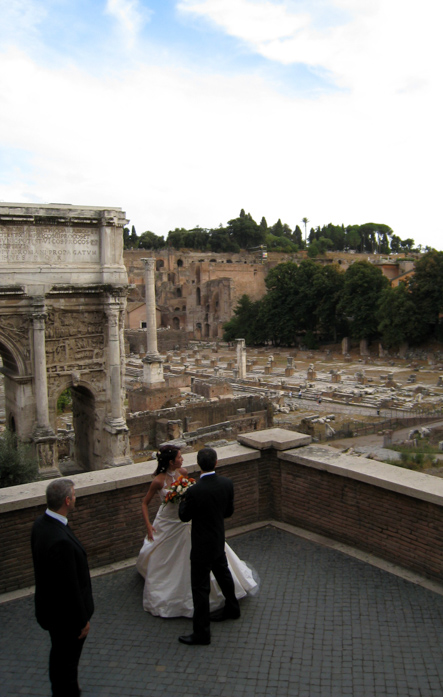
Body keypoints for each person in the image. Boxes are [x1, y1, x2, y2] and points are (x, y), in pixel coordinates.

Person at [136, 444, 257, 621]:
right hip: (169, 521)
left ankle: (201, 620)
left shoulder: (183, 473)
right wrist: (148, 525)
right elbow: (145, 503)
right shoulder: (158, 481)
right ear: (171, 461)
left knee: (198, 563)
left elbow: (192, 500)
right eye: (179, 456)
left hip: (186, 520)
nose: (182, 459)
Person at [31, 479, 94, 697]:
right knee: (66, 663)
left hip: (49, 609)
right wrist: (82, 619)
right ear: (67, 501)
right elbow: (70, 586)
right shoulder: (61, 541)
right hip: (66, 618)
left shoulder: (40, 524)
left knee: (59, 657)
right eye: (74, 495)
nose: (76, 498)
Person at [178, 447, 241, 646]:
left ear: (198, 465)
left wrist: (182, 500)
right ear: (216, 463)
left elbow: (184, 516)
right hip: (217, 539)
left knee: (200, 588)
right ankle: (233, 608)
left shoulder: (194, 490)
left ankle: (202, 633)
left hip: (200, 546)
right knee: (223, 574)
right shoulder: (227, 483)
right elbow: (228, 512)